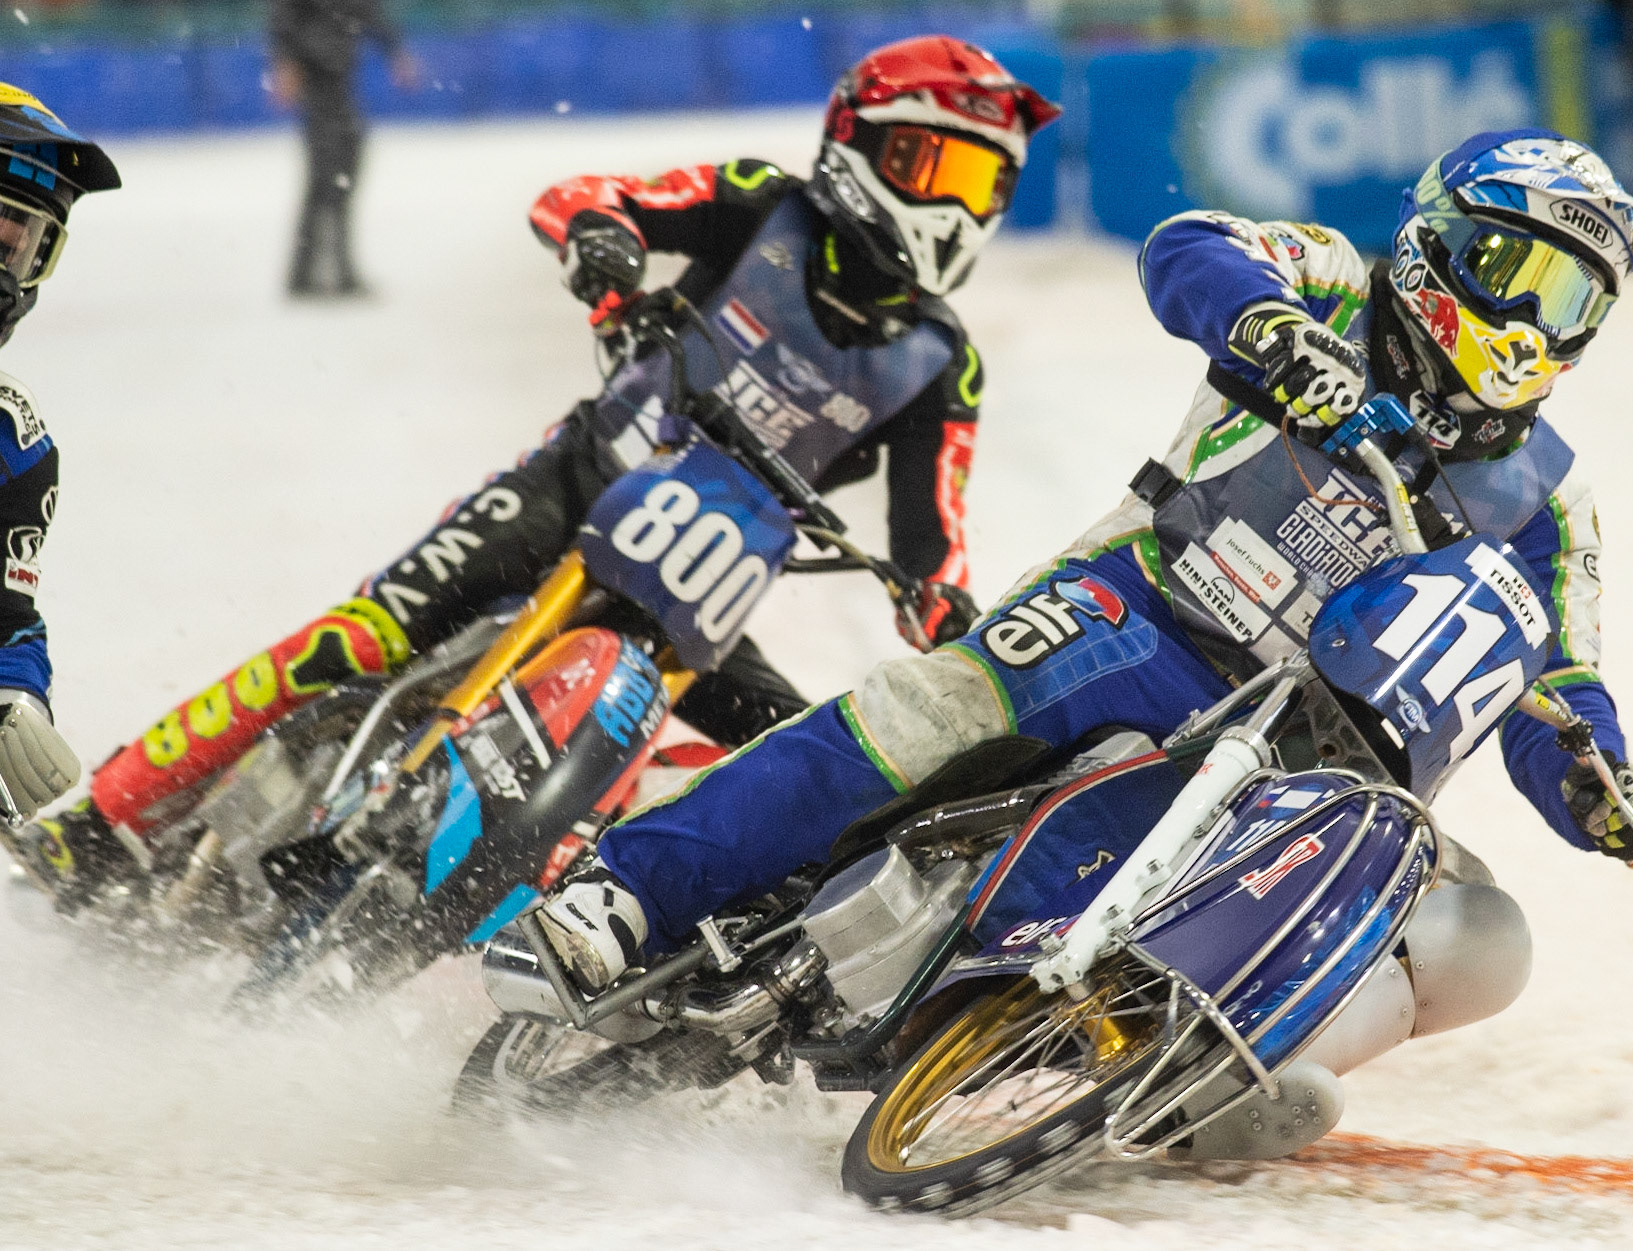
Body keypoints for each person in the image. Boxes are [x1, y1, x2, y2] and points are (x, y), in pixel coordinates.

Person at [534, 131, 1633, 1110]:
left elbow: (1551, 672)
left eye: (1571, 299)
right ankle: (627, 891)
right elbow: (1187, 246)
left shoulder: (1547, 496)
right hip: (1147, 611)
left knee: (1475, 942)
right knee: (929, 713)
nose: (1531, 319)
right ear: (1440, 243)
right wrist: (1274, 335)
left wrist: (1596, 777)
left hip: (1311, 757)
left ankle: (1205, 1082)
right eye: (1513, 269)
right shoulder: (1332, 283)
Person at [8, 36, 1059, 912]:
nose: (956, 206)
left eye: (983, 182)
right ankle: (105, 813)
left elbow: (936, 526)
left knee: (791, 774)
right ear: (854, 145)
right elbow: (585, 197)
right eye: (935, 167)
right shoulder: (758, 203)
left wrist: (938, 603)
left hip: (703, 584)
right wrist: (604, 256)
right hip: (571, 487)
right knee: (359, 635)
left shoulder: (940, 360)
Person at [0, 85, 118, 862]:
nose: (6, 264)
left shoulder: (15, 442)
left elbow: (10, 615)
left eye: (24, 244)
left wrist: (15, 700)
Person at [269, 0, 419, 297]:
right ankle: (316, 273)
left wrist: (395, 51)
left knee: (337, 177)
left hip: (337, 78)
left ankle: (324, 271)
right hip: (317, 76)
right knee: (328, 177)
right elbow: (284, 16)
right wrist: (286, 62)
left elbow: (367, 12)